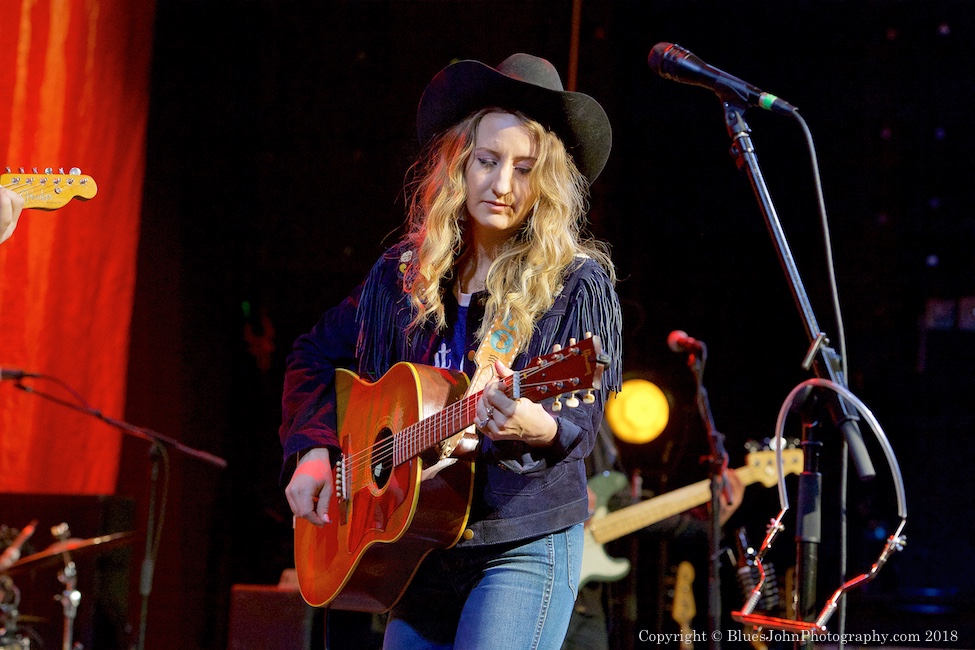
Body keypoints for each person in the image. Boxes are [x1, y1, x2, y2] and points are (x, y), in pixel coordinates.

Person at [279, 53, 621, 649]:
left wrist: (530, 424)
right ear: (460, 159)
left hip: (520, 545)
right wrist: (313, 451)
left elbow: (576, 420)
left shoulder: (575, 281)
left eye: (525, 168)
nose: (503, 185)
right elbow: (312, 354)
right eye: (488, 161)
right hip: (417, 546)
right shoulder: (402, 275)